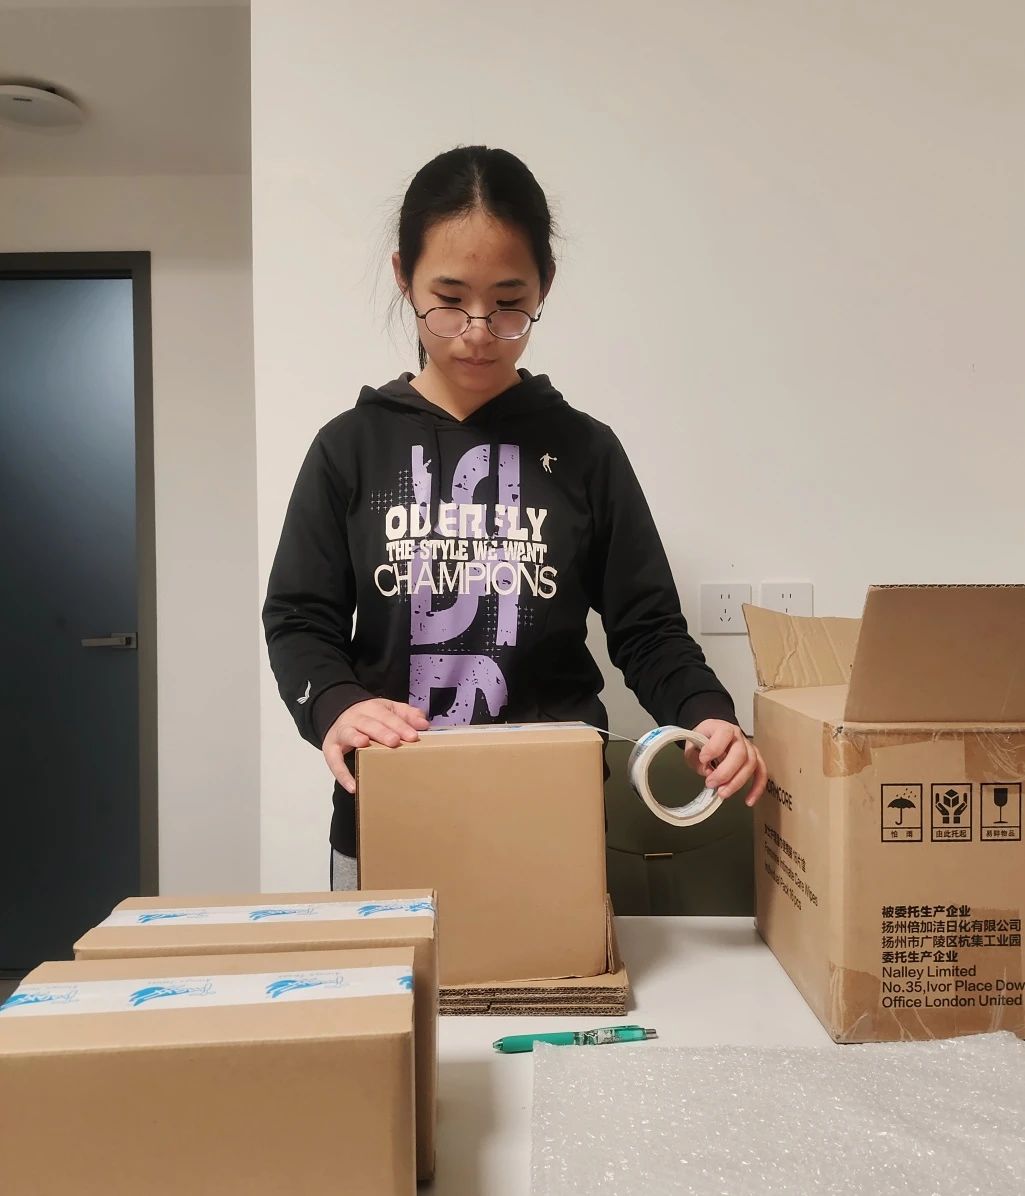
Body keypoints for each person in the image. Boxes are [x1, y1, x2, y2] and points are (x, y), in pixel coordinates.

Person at [263, 145, 767, 891]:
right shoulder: (351, 447)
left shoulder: (586, 451)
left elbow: (647, 628)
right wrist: (335, 704)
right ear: (403, 276)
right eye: (448, 298)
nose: (477, 330)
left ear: (544, 285)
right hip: (389, 814)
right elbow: (300, 619)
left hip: (549, 820)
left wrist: (707, 712)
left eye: (508, 302)